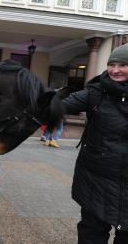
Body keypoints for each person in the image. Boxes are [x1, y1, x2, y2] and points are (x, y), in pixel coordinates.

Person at [62, 43, 128, 243]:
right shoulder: (96, 92)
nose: (115, 70)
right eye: (112, 64)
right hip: (95, 180)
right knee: (91, 234)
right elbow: (60, 106)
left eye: (123, 65)